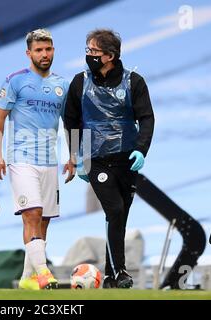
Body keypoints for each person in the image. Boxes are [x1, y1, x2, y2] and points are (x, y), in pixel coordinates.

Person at [63, 29, 154, 289]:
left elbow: (146, 117)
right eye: (88, 50)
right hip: (96, 159)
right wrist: (76, 156)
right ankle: (121, 271)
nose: (88, 55)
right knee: (113, 209)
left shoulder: (134, 81)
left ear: (109, 56)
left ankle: (112, 279)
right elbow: (70, 121)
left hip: (127, 158)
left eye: (94, 51)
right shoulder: (79, 83)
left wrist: (141, 149)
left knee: (120, 216)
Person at [0, 29, 69, 290]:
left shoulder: (62, 85)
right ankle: (44, 273)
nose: (44, 54)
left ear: (54, 50)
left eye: (48, 49)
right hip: (21, 160)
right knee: (32, 214)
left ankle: (26, 279)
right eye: (39, 50)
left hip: (50, 162)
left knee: (43, 221)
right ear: (29, 53)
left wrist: (77, 159)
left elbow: (72, 123)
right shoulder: (15, 81)